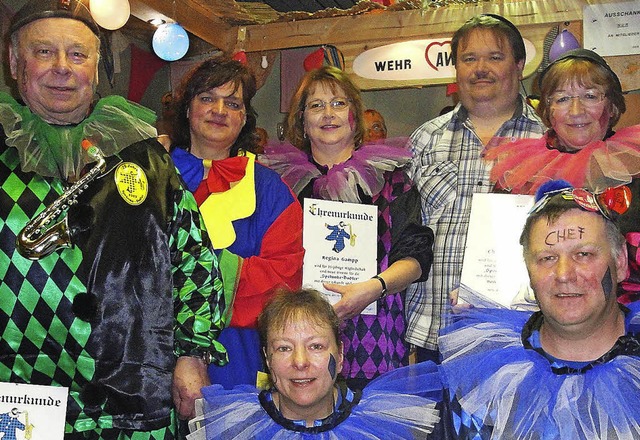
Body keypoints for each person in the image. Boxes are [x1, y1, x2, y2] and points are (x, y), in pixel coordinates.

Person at [0, 1, 227, 438]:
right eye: (44, 52)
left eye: (78, 54)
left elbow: (195, 259)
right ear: (14, 62)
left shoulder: (145, 158)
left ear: (97, 64)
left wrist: (192, 354)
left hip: (134, 402)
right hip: (21, 403)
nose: (63, 68)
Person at [262, 65, 434, 390]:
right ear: (301, 119)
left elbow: (416, 256)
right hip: (300, 336)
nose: (328, 114)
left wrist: (375, 287)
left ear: (355, 115)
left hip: (376, 333)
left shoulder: (391, 180)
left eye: (339, 103)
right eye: (316, 105)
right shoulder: (280, 184)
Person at [438, 180, 640, 439]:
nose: (564, 274)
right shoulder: (482, 383)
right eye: (547, 258)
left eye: (584, 255)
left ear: (621, 261)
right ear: (529, 272)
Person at [406, 14, 545, 363]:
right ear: (456, 68)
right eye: (469, 59)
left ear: (519, 65)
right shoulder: (424, 139)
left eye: (495, 57)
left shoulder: (549, 142)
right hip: (433, 335)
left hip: (524, 333)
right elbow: (405, 235)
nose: (480, 68)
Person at [170, 56, 305, 390]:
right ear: (187, 109)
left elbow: (286, 273)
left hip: (237, 356)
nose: (219, 110)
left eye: (232, 103)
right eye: (206, 98)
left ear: (244, 118)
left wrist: (194, 273)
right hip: (155, 347)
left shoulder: (271, 189)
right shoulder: (151, 176)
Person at [484, 48, 640, 304]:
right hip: (537, 314)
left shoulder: (635, 167)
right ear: (548, 110)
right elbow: (497, 258)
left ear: (611, 106)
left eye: (590, 96)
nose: (576, 110)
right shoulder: (518, 175)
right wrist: (480, 290)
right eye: (563, 99)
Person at [189, 288, 442, 439]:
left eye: (316, 347)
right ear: (267, 359)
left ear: (340, 356)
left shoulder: (382, 426)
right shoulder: (235, 428)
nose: (300, 362)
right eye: (284, 348)